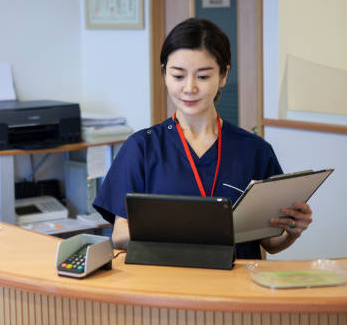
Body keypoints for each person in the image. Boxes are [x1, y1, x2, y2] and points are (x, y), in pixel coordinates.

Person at [93, 18, 312, 258]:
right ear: (164, 73)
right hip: (166, 287)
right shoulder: (142, 147)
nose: (190, 88)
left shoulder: (255, 150)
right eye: (178, 76)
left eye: (203, 77)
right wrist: (191, 229)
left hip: (235, 290)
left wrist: (292, 231)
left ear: (224, 75)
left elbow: (270, 241)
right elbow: (120, 236)